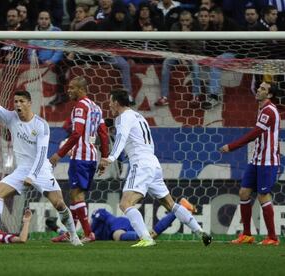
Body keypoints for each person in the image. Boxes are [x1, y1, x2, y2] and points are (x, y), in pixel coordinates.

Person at [0, 80, 82, 246]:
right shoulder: (11, 118)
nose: (18, 105)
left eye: (21, 101)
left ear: (29, 103)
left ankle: (73, 236)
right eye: (15, 102)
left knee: (59, 204)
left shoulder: (40, 125)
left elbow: (42, 154)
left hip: (40, 169)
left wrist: (33, 175)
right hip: (22, 170)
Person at [98, 88, 212, 247]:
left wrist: (110, 158)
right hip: (152, 162)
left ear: (116, 103)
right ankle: (200, 231)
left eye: (110, 102)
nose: (109, 105)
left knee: (125, 204)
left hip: (141, 164)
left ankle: (146, 238)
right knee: (169, 204)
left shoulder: (124, 117)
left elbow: (122, 138)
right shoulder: (139, 117)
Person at [49, 76, 109, 243]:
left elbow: (76, 133)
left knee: (76, 196)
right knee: (75, 194)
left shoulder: (80, 106)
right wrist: (104, 157)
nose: (69, 91)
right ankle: (71, 232)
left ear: (81, 89)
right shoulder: (96, 108)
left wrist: (58, 154)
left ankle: (89, 233)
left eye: (72, 88)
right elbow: (103, 134)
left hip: (80, 157)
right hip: (91, 157)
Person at [219, 82, 280, 246]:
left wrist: (231, 147)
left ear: (269, 95)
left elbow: (255, 134)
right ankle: (247, 235)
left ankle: (273, 238)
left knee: (262, 195)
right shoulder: (261, 109)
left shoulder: (269, 110)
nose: (258, 90)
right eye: (259, 87)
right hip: (256, 160)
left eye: (263, 89)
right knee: (244, 192)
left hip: (267, 162)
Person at [91, 197, 196, 241]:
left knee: (117, 236)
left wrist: (89, 230)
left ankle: (178, 208)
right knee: (152, 235)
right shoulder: (96, 236)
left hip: (118, 224)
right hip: (127, 227)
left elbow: (99, 214)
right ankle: (178, 210)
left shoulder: (96, 217)